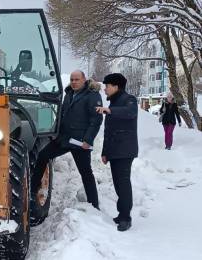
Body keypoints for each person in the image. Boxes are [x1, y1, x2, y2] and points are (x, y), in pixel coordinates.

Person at [32, 70, 103, 209]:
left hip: (80, 142)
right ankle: (32, 190)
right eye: (72, 79)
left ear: (84, 80)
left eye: (77, 79)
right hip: (64, 139)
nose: (74, 82)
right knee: (43, 155)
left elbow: (96, 120)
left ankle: (94, 205)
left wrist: (88, 140)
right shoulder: (69, 94)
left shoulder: (92, 96)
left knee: (86, 173)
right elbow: (62, 115)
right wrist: (54, 132)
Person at [96, 73, 138, 232]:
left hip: (125, 150)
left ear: (116, 86)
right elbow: (108, 131)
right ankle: (122, 213)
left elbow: (131, 112)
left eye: (107, 86)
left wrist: (110, 111)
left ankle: (126, 218)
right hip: (114, 151)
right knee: (118, 184)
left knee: (123, 184)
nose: (105, 89)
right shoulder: (113, 103)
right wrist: (104, 152)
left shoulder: (129, 99)